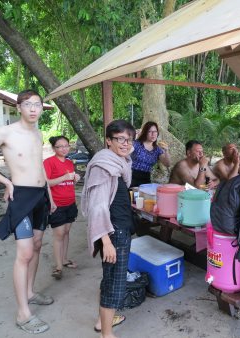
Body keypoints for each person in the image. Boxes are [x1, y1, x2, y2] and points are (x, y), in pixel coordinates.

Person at [0, 89, 56, 334]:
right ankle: (22, 314)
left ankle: (30, 292)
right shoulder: (6, 132)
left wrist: (49, 195)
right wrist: (7, 182)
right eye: (27, 104)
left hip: (40, 196)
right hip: (21, 196)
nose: (32, 108)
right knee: (25, 253)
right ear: (18, 107)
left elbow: (39, 164)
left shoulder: (38, 132)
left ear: (41, 108)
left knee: (38, 244)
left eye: (37, 104)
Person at [81, 120, 136, 338]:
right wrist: (106, 242)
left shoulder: (119, 162)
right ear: (108, 141)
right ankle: (106, 334)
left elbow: (126, 155)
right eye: (120, 139)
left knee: (110, 278)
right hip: (114, 233)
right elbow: (97, 207)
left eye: (129, 139)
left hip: (120, 228)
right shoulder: (103, 167)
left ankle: (101, 321)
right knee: (115, 284)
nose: (125, 143)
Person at [43, 135, 80, 280]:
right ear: (54, 148)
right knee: (59, 234)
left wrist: (75, 179)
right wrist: (64, 178)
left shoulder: (70, 163)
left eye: (66, 145)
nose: (64, 148)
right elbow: (47, 183)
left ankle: (64, 259)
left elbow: (69, 182)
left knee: (66, 232)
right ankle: (58, 267)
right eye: (60, 146)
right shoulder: (48, 162)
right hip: (56, 204)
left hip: (70, 202)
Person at [130, 121, 171, 187]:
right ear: (145, 132)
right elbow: (127, 152)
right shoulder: (137, 144)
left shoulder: (157, 149)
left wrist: (166, 151)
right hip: (132, 176)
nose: (153, 134)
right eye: (150, 131)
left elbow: (167, 164)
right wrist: (134, 137)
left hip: (146, 178)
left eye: (155, 132)